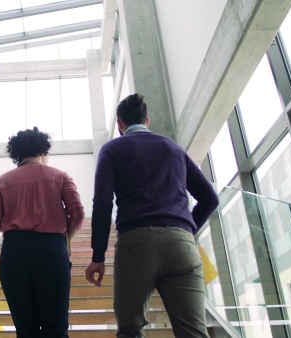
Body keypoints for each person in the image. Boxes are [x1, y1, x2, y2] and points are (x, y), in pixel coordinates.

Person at [85, 94, 219, 337]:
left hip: (135, 245)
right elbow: (210, 198)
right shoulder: (173, 148)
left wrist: (98, 256)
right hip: (182, 245)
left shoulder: (112, 149)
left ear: (119, 124)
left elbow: (102, 203)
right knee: (194, 333)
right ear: (147, 122)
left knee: (130, 330)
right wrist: (186, 232)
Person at [0, 127, 85, 338]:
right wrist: (65, 239)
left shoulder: (1, 181)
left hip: (14, 252)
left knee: (25, 330)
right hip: (52, 250)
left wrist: (14, 221)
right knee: (56, 329)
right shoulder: (60, 176)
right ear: (43, 151)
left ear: (17, 154)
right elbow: (77, 214)